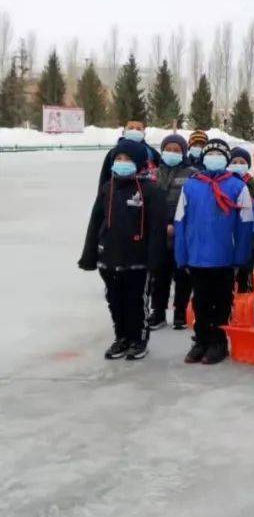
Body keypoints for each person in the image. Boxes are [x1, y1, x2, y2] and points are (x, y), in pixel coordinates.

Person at [78, 138, 167, 360]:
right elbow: (95, 222)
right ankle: (122, 337)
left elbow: (157, 229)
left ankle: (138, 338)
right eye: (118, 158)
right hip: (109, 257)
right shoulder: (108, 189)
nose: (122, 162)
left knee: (135, 301)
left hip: (138, 259)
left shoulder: (150, 191)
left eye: (127, 159)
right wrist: (90, 255)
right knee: (115, 301)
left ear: (137, 163)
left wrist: (155, 260)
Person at [173, 138, 254, 364]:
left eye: (219, 154)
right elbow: (180, 220)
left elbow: (245, 223)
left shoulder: (238, 186)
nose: (214, 157)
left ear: (227, 159)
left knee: (221, 301)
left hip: (224, 257)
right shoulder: (191, 185)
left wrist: (240, 257)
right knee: (199, 300)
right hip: (197, 256)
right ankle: (201, 340)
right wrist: (182, 255)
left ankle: (218, 342)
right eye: (211, 153)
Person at [149, 133, 196, 330]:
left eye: (177, 150)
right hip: (157, 234)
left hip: (182, 234)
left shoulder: (192, 174)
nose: (172, 153)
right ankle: (158, 312)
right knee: (159, 276)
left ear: (184, 153)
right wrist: (160, 225)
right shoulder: (153, 174)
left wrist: (177, 227)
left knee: (182, 276)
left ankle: (179, 313)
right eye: (169, 149)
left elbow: (195, 206)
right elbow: (148, 204)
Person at [228, 146, 254, 294]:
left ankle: (246, 293)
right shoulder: (225, 183)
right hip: (229, 234)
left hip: (249, 235)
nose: (237, 164)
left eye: (241, 161)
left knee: (246, 269)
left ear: (247, 164)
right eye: (234, 161)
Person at [96, 120, 162, 186]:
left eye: (138, 129)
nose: (134, 131)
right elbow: (104, 177)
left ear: (144, 133)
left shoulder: (151, 153)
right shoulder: (114, 152)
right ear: (124, 131)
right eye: (131, 128)